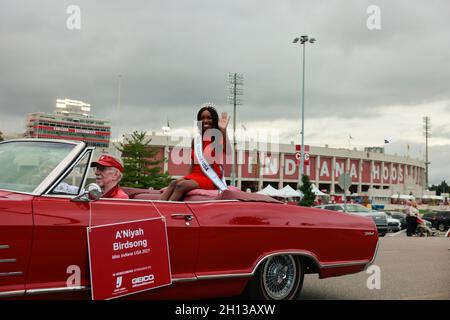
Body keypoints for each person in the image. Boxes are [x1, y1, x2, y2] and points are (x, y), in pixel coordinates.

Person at [161, 104, 229, 201]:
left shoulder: (217, 137)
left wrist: (223, 129)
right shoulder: (196, 140)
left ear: (214, 120)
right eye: (202, 118)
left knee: (181, 186)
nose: (205, 120)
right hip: (195, 175)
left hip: (210, 177)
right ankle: (156, 209)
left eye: (209, 118)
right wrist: (186, 177)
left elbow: (226, 150)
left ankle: (167, 211)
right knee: (173, 183)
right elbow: (193, 163)